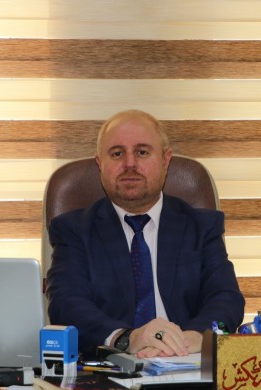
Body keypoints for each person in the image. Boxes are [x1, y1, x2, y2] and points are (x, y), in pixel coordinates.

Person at [46, 109, 245, 359]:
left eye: (142, 152)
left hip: (187, 364)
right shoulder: (73, 230)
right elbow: (65, 306)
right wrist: (127, 338)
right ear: (100, 164)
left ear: (165, 160)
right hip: (111, 369)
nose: (130, 164)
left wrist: (197, 338)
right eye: (117, 154)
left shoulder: (201, 227)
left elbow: (228, 301)